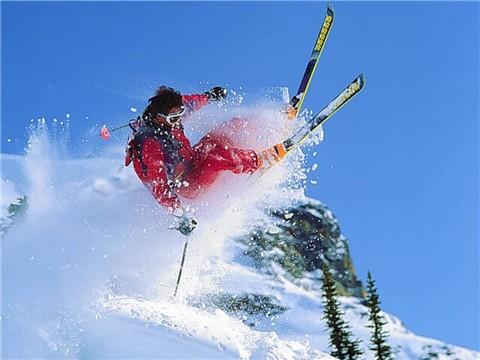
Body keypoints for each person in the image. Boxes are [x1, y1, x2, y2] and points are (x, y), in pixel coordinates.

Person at [125, 86, 286, 235]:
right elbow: (159, 187)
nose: (178, 120)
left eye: (180, 114)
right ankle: (260, 161)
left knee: (225, 130)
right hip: (189, 184)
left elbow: (190, 103)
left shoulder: (171, 116)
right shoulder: (150, 146)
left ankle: (275, 124)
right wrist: (180, 215)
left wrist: (209, 96)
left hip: (191, 159)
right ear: (159, 118)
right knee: (215, 157)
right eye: (174, 118)